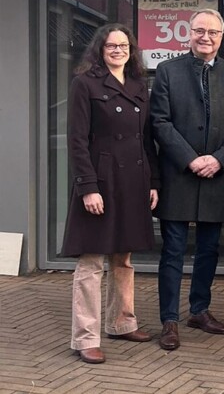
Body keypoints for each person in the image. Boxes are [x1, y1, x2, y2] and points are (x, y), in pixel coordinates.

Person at [150, 8, 224, 350]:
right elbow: (160, 122)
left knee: (208, 249)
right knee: (173, 251)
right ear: (189, 33)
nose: (205, 37)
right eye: (199, 31)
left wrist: (219, 159)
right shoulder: (167, 71)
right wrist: (190, 159)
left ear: (222, 36)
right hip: (178, 175)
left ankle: (199, 310)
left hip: (216, 176)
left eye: (213, 32)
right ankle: (169, 319)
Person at [61, 23, 159, 364]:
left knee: (123, 257)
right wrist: (87, 187)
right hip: (100, 182)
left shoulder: (138, 85)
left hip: (133, 181)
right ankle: (85, 337)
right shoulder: (84, 83)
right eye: (111, 46)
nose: (118, 50)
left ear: (131, 51)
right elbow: (77, 140)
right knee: (91, 261)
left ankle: (121, 323)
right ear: (100, 50)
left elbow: (147, 140)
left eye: (124, 46)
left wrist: (153, 181)